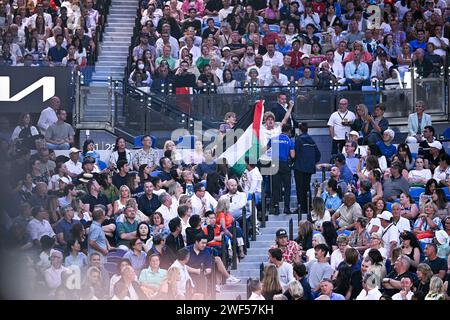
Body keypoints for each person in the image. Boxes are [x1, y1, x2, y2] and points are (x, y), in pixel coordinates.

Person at [294, 122, 321, 216]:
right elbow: (318, 154)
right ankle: (308, 207)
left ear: (300, 130)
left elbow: (294, 154)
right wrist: (312, 163)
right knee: (306, 187)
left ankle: (301, 207)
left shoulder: (298, 139)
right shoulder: (312, 140)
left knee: (300, 188)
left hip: (299, 167)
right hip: (309, 169)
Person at [267, 124, 295, 214]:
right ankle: (286, 208)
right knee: (287, 187)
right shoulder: (289, 140)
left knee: (275, 187)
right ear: (289, 131)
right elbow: (292, 155)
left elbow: (266, 150)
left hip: (274, 164)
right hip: (284, 164)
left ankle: (276, 208)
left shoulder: (273, 139)